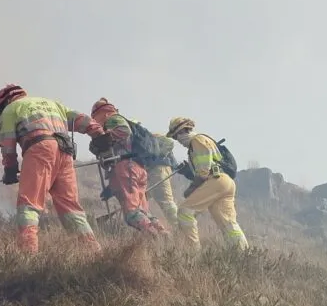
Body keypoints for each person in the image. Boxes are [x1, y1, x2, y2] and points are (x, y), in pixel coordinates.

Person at [0, 84, 103, 253]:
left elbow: (7, 144)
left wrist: (10, 170)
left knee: (28, 206)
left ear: (4, 103)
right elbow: (82, 120)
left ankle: (28, 254)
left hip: (40, 150)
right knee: (71, 209)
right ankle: (93, 252)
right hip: (65, 153)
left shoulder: (11, 109)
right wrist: (98, 134)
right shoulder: (52, 104)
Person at [78, 98, 167, 235]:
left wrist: (103, 139)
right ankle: (163, 235)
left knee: (132, 213)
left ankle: (155, 237)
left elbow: (124, 131)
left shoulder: (112, 118)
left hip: (126, 167)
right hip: (137, 169)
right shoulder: (118, 119)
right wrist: (112, 187)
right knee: (143, 211)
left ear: (102, 113)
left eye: (95, 118)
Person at [166, 116, 249, 250]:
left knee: (185, 212)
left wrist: (191, 189)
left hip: (216, 181)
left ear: (183, 131)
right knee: (227, 223)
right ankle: (243, 253)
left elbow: (203, 171)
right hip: (225, 182)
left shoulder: (197, 140)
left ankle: (192, 253)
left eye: (176, 136)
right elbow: (205, 167)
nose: (178, 140)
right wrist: (188, 171)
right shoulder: (198, 143)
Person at [145, 133, 180, 225]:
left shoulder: (146, 137)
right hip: (153, 172)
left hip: (158, 171)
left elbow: (169, 142)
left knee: (166, 202)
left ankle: (180, 228)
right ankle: (153, 226)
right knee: (140, 201)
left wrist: (157, 157)